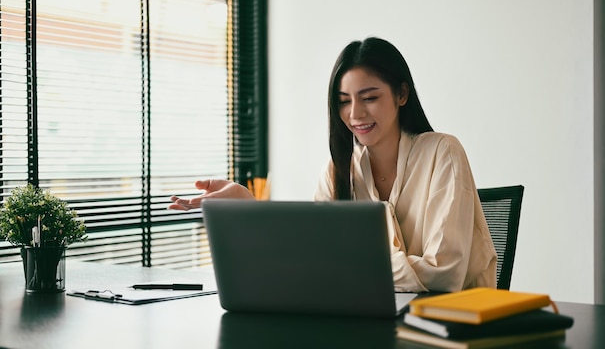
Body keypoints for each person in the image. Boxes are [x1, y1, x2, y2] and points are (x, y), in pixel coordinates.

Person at [169, 37, 497, 293]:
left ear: (401, 94)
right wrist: (248, 205)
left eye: (369, 98)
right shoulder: (339, 170)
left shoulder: (443, 152)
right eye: (343, 102)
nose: (355, 114)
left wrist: (348, 270)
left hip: (448, 330)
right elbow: (308, 257)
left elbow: (444, 273)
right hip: (371, 324)